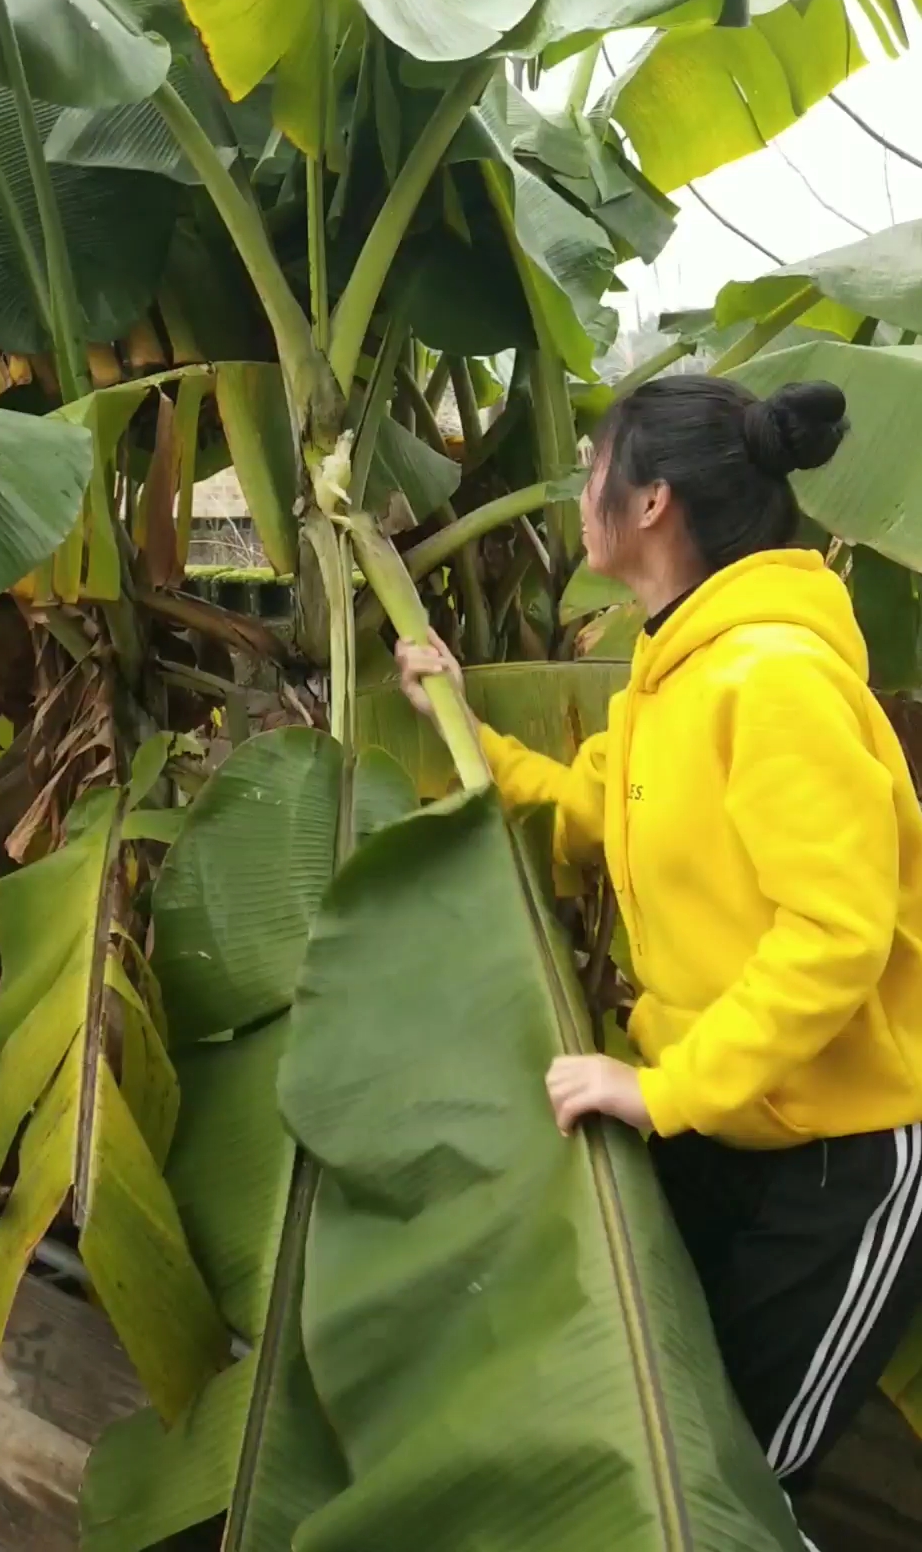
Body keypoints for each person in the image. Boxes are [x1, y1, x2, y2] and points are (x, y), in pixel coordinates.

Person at [395, 374, 922, 1498]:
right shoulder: (668, 679)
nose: (581, 491)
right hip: (718, 1122)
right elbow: (589, 818)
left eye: (596, 469)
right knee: (651, 1420)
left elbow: (836, 935)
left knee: (740, 1482)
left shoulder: (774, 679)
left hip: (848, 1158)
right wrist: (453, 720)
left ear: (650, 505)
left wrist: (661, 1094)